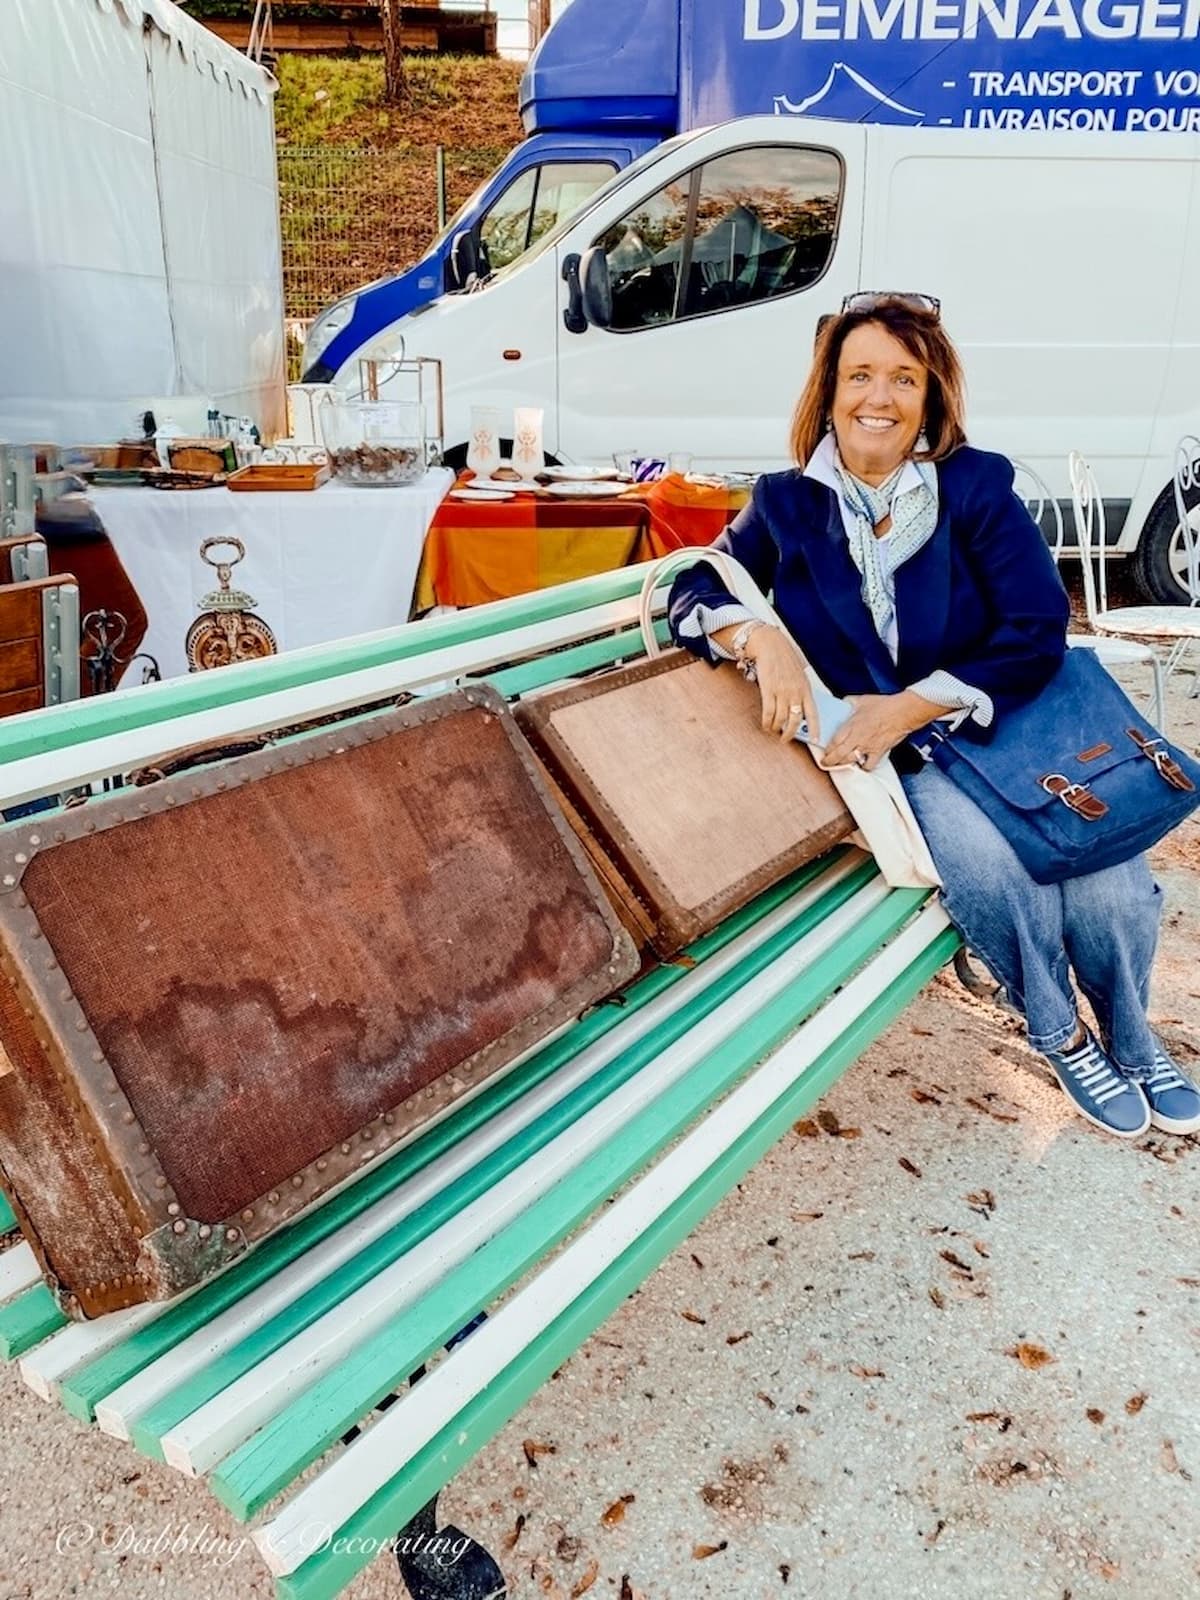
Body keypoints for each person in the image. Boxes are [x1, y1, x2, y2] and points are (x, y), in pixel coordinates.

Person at [668, 292, 1200, 1140]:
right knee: (994, 872)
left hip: (1001, 727)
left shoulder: (975, 487)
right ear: (829, 390)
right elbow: (693, 585)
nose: (878, 398)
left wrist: (913, 704)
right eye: (860, 375)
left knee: (1106, 876)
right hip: (903, 767)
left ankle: (1133, 1036)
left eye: (902, 379)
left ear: (930, 397)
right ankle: (1059, 1031)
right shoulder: (783, 503)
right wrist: (755, 635)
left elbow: (1036, 628)